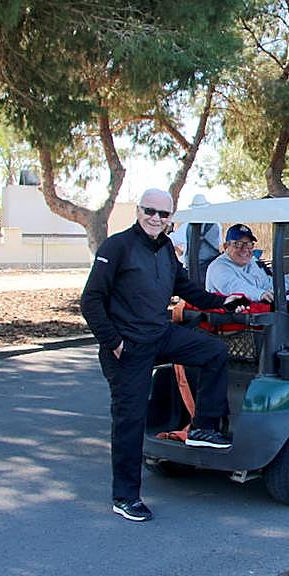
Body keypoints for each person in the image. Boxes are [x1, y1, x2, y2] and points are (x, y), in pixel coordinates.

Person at [81, 188, 246, 522]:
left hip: (159, 335)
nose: (155, 218)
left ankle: (202, 428)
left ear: (171, 218)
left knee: (212, 351)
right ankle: (125, 497)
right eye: (150, 211)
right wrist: (113, 341)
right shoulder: (118, 247)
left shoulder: (166, 248)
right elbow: (91, 301)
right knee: (130, 419)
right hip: (127, 346)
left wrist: (221, 303)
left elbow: (185, 288)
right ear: (139, 211)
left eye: (163, 214)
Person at [205, 223, 289, 304]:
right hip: (236, 325)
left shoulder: (252, 262)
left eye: (249, 245)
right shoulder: (218, 268)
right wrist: (261, 294)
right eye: (238, 244)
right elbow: (237, 288)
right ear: (226, 247)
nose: (244, 249)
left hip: (259, 317)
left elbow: (269, 283)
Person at [169, 193, 222, 283]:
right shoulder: (216, 225)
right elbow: (219, 245)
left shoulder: (187, 226)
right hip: (211, 271)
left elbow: (170, 241)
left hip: (192, 272)